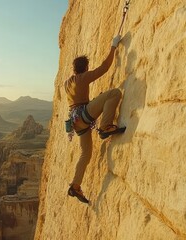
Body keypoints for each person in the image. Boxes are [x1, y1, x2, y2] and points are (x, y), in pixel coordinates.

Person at [64, 35, 125, 204]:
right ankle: (105, 127)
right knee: (114, 93)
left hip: (75, 122)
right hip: (83, 115)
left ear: (74, 68)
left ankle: (75, 185)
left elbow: (76, 99)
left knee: (85, 153)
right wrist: (113, 46)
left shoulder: (67, 83)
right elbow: (105, 67)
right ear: (86, 68)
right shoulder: (83, 78)